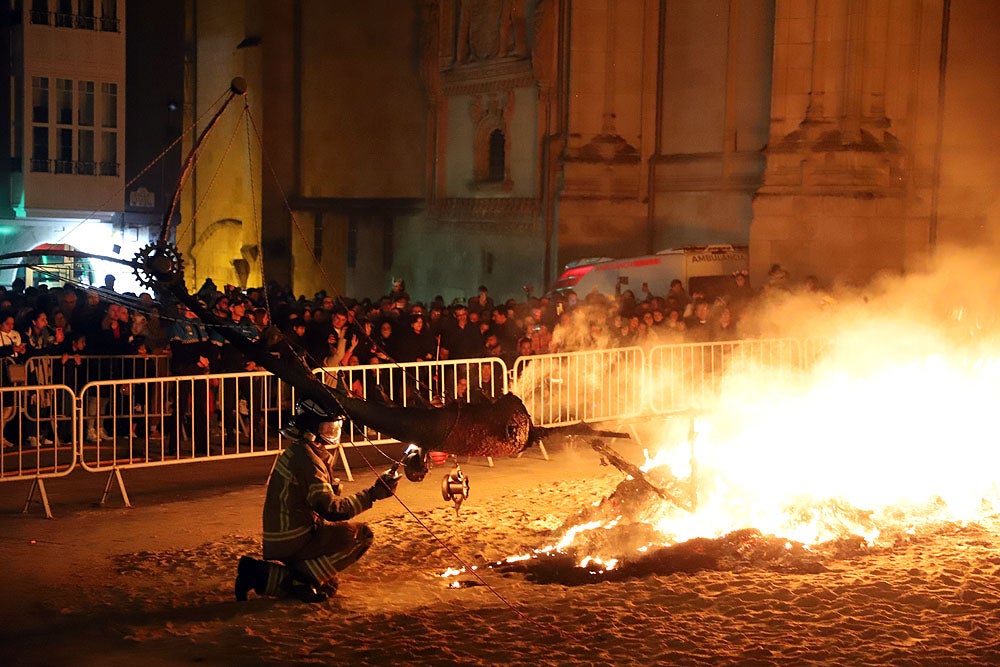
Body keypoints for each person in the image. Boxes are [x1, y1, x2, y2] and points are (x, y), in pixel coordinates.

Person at [234, 399, 399, 603]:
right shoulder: (307, 459)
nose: (333, 432)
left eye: (336, 427)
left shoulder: (303, 451)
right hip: (295, 536)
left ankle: (258, 574)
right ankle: (300, 581)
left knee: (329, 585)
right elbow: (330, 509)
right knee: (362, 535)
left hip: (284, 534)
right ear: (311, 427)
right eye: (328, 427)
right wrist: (373, 494)